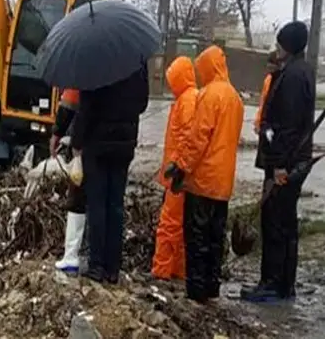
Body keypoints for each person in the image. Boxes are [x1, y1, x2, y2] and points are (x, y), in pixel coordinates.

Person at [242, 21, 315, 302]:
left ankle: (272, 284)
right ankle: (284, 283)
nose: (277, 48)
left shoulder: (294, 77)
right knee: (285, 222)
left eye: (280, 43)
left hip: (285, 162)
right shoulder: (299, 71)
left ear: (290, 45)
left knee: (275, 221)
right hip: (292, 159)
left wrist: (279, 164)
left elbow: (286, 126)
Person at [166, 45, 244, 303]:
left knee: (197, 236)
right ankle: (212, 285)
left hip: (202, 181)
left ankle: (197, 290)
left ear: (208, 67)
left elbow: (197, 138)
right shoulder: (235, 97)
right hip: (223, 182)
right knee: (215, 237)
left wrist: (181, 167)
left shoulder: (209, 96)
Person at [70, 60, 149, 284]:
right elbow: (142, 103)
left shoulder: (96, 60)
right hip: (124, 146)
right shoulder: (137, 60)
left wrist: (77, 141)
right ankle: (113, 268)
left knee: (97, 204)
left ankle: (97, 265)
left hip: (98, 145)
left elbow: (86, 107)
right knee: (115, 205)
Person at [151, 55, 196, 281]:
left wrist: (176, 166)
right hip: (180, 172)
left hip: (177, 174)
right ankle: (177, 270)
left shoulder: (187, 101)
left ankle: (162, 270)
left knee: (169, 223)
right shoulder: (186, 99)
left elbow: (188, 137)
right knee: (178, 225)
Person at [50, 88, 85, 273]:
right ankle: (103, 264)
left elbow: (70, 103)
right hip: (118, 147)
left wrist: (58, 133)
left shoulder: (83, 68)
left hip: (86, 144)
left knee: (78, 197)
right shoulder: (127, 69)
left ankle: (71, 256)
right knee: (108, 202)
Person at [253, 50, 279, 136]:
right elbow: (263, 102)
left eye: (271, 67)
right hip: (264, 122)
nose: (269, 70)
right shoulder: (268, 80)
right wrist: (258, 122)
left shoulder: (279, 81)